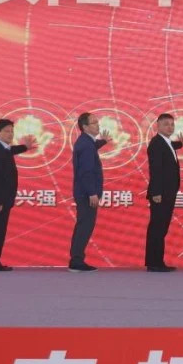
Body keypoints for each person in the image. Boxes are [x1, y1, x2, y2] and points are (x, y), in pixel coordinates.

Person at [0, 118, 36, 271]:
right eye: (6, 131)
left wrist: (25, 147)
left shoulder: (2, 148)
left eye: (12, 131)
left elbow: (11, 150)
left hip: (3, 199)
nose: (10, 134)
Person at [145, 112, 183, 273]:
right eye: (166, 124)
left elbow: (170, 148)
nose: (170, 127)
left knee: (162, 227)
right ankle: (154, 263)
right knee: (157, 228)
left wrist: (180, 144)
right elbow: (155, 170)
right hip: (160, 194)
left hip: (168, 192)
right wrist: (156, 192)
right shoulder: (156, 143)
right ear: (158, 126)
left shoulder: (166, 142)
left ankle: (157, 261)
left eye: (172, 124)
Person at [68, 112, 107, 272]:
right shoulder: (86, 145)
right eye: (94, 123)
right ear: (85, 127)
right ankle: (76, 261)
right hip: (86, 194)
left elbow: (91, 149)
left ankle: (76, 259)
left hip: (83, 192)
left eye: (97, 122)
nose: (98, 125)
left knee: (83, 225)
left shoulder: (86, 142)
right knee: (84, 227)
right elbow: (86, 171)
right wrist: (92, 192)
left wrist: (102, 142)